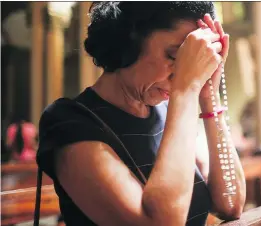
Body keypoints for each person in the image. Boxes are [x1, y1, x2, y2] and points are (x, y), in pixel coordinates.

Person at [36, 2, 246, 226]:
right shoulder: (69, 122)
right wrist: (186, 91)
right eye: (176, 56)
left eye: (194, 61)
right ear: (130, 40)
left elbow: (230, 204)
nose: (185, 73)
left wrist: (208, 97)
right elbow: (161, 223)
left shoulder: (168, 112)